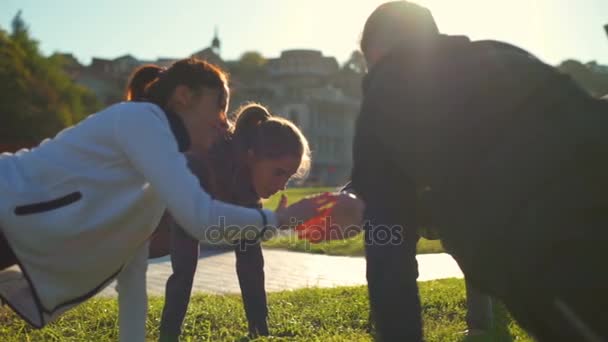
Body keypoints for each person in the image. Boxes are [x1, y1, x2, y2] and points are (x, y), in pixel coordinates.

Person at [0, 58, 363, 339]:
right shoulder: (140, 120)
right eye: (218, 108)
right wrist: (283, 219)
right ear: (184, 98)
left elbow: (132, 273)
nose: (224, 122)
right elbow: (199, 218)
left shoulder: (153, 182)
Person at [353, 1, 608, 341]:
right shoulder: (506, 56)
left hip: (556, 254)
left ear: (375, 50)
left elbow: (389, 243)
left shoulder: (383, 95)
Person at [157, 103, 311, 341]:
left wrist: (260, 333)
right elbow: (189, 250)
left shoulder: (248, 186)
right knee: (185, 267)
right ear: (252, 157)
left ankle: (259, 329)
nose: (281, 185)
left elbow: (251, 264)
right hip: (165, 204)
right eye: (278, 172)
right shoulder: (206, 159)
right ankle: (168, 335)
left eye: (288, 177)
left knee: (250, 255)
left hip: (201, 204)